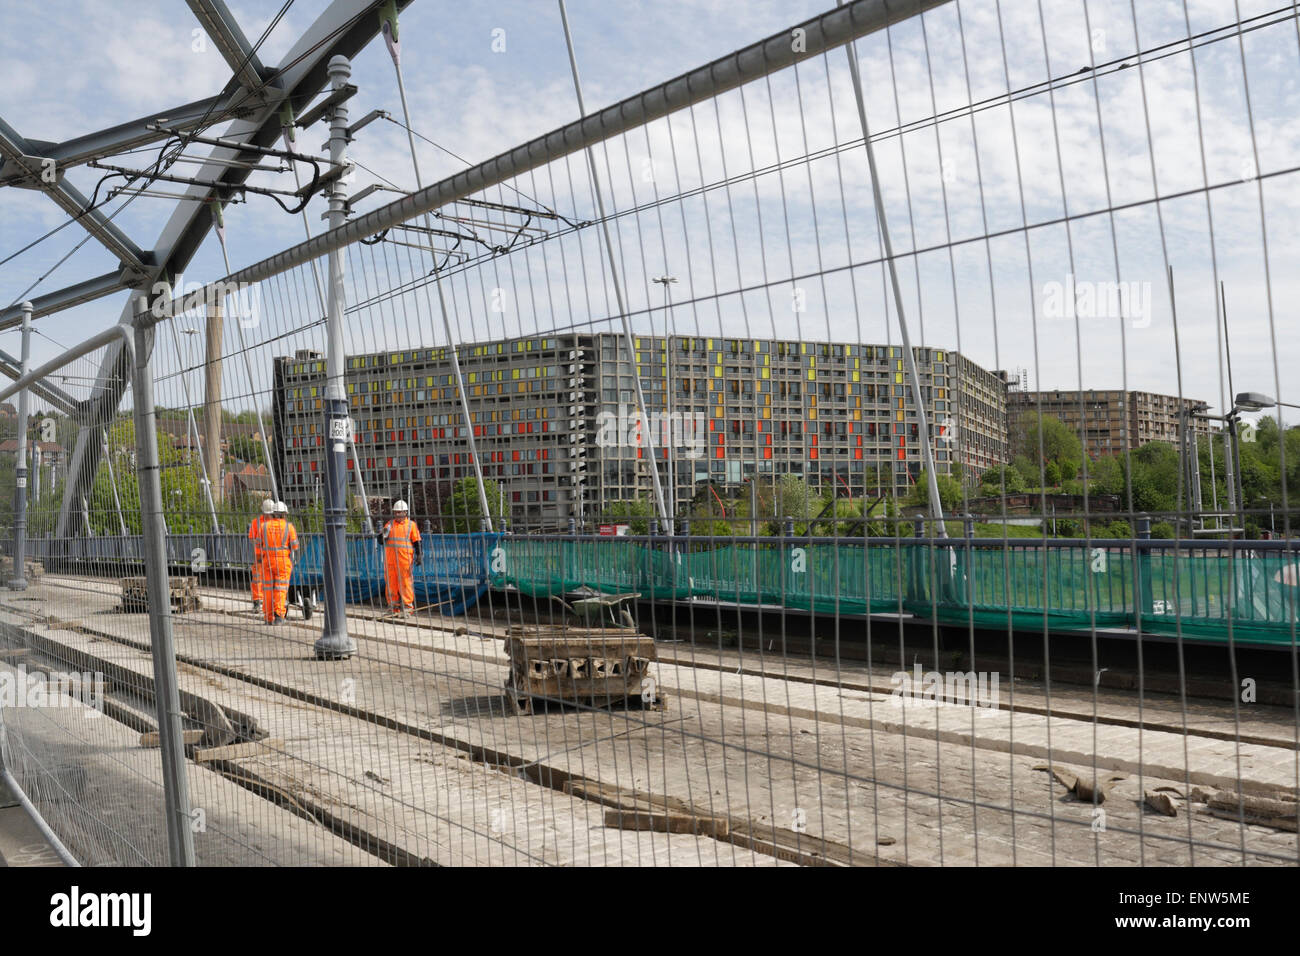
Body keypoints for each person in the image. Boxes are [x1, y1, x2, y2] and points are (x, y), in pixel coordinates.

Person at [260, 500, 299, 624]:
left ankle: (268, 617)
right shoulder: (289, 527)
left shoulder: (264, 526)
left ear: (273, 513)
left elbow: (258, 544)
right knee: (280, 589)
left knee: (267, 589)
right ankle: (279, 616)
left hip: (267, 561)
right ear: (284, 514)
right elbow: (295, 546)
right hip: (282, 562)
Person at [381, 499, 421, 616]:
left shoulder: (411, 525)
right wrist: (381, 536)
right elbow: (381, 540)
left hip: (404, 561)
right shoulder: (389, 524)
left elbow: (417, 541)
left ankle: (407, 607)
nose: (398, 514)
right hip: (390, 561)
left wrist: (419, 555)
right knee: (391, 584)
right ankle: (393, 608)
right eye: (396, 512)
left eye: (400, 512)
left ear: (406, 512)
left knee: (405, 584)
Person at [248, 499, 274, 611]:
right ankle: (257, 601)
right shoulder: (256, 522)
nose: (268, 515)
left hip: (273, 555)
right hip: (260, 555)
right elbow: (252, 538)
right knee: (257, 578)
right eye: (266, 513)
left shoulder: (276, 522)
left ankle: (271, 602)